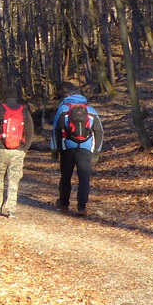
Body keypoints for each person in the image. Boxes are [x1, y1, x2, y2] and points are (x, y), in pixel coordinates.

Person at [49, 82, 103, 215]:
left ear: (68, 95)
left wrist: (55, 150)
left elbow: (56, 129)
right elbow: (99, 131)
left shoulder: (63, 109)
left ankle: (64, 204)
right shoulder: (91, 110)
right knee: (84, 178)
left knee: (66, 176)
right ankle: (82, 207)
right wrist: (96, 152)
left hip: (67, 147)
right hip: (86, 148)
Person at [0, 85, 34, 218]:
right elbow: (30, 132)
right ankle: (11, 209)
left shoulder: (0, 109)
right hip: (18, 150)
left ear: (4, 96)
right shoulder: (24, 110)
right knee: (14, 180)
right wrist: (25, 148)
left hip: (1, 149)